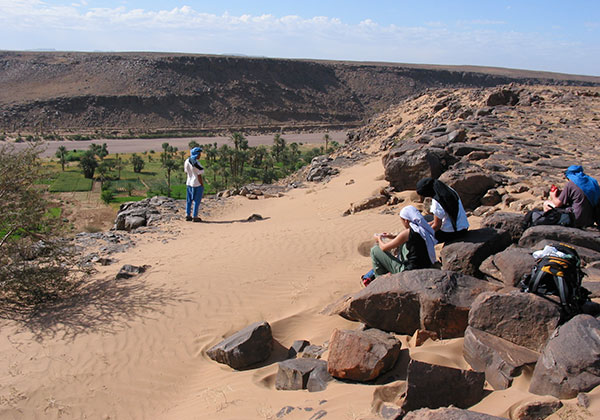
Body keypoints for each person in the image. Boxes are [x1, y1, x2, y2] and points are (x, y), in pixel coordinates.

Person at [363, 206, 438, 286]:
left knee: (375, 250)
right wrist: (390, 236)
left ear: (406, 220)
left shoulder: (408, 233)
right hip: (425, 266)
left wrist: (378, 239)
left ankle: (380, 281)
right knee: (403, 245)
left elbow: (383, 247)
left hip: (409, 272)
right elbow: (402, 238)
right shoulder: (422, 228)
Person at [416, 177, 469, 242]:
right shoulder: (448, 190)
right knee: (427, 218)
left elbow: (437, 225)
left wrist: (424, 234)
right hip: (463, 227)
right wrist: (430, 224)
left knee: (423, 223)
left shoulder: (437, 201)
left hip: (452, 233)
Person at [184, 147, 205, 222]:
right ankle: (195, 216)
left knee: (189, 200)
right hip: (197, 184)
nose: (200, 155)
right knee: (197, 200)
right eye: (199, 154)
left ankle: (187, 214)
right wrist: (202, 184)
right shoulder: (196, 163)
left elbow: (186, 171)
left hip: (189, 183)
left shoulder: (187, 161)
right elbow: (199, 175)